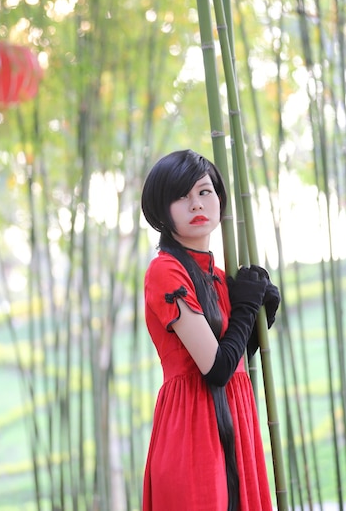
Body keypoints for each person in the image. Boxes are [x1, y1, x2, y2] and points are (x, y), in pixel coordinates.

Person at [141, 149, 280, 511]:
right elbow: (215, 369)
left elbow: (232, 361)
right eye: (181, 197)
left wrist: (260, 313)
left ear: (219, 198)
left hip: (236, 419)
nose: (196, 204)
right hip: (192, 428)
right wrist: (247, 307)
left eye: (204, 192)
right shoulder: (166, 272)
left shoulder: (219, 277)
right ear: (161, 210)